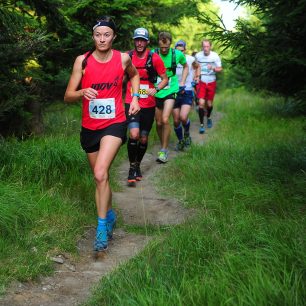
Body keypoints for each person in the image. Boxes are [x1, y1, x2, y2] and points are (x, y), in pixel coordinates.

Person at [64, 16, 140, 252]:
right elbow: (68, 95)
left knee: (99, 173)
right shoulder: (83, 61)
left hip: (114, 123)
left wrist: (135, 97)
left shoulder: (123, 58)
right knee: (100, 179)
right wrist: (82, 92)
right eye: (98, 35)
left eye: (107, 34)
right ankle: (108, 214)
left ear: (114, 37)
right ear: (93, 36)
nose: (102, 39)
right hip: (89, 127)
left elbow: (135, 76)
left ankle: (101, 229)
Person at [125, 28, 168, 183]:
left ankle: (137, 164)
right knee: (134, 134)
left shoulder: (154, 58)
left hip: (148, 103)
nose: (139, 43)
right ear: (134, 41)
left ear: (147, 41)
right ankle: (131, 168)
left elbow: (165, 79)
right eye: (137, 40)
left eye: (142, 40)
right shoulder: (127, 57)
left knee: (143, 138)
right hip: (131, 100)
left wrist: (155, 89)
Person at [154, 31, 188, 163]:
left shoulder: (177, 54)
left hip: (171, 89)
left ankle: (164, 149)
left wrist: (182, 82)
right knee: (157, 122)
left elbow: (186, 67)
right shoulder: (153, 53)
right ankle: (163, 144)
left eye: (166, 47)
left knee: (165, 119)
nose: (163, 50)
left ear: (170, 44)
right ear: (158, 43)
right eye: (161, 47)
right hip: (157, 89)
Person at [172, 40, 199, 150]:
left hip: (187, 90)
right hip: (174, 91)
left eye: (182, 51)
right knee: (176, 120)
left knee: (183, 117)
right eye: (178, 51)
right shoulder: (171, 59)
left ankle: (187, 133)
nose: (180, 53)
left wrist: (197, 77)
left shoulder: (190, 59)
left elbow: (198, 66)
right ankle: (180, 140)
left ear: (185, 50)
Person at [195, 39, 222, 133]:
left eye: (207, 46)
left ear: (210, 46)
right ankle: (202, 125)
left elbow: (220, 69)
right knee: (201, 103)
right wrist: (196, 77)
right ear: (202, 47)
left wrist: (213, 68)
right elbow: (195, 67)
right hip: (201, 80)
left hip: (211, 80)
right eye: (204, 46)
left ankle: (209, 117)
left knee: (209, 104)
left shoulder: (215, 56)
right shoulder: (198, 56)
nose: (206, 48)